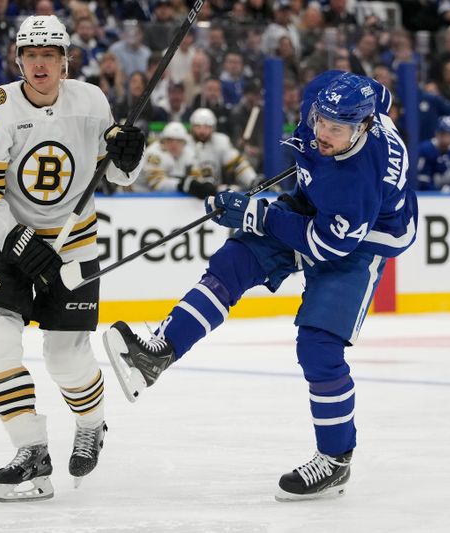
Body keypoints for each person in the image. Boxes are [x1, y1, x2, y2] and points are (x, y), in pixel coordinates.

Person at [102, 71, 418, 501]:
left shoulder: (358, 180)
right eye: (319, 120)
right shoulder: (329, 94)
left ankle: (335, 459)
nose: (322, 132)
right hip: (322, 208)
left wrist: (258, 214)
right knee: (236, 259)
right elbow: (380, 92)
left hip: (363, 238)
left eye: (336, 129)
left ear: (363, 126)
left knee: (318, 346)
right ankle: (158, 353)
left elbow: (325, 245)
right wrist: (277, 199)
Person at [0, 15, 146, 503]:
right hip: (2, 242)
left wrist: (128, 156)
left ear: (65, 61)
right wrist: (17, 240)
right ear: (18, 60)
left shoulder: (91, 101)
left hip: (74, 241)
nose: (39, 64)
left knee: (65, 357)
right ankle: (31, 454)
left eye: (49, 55)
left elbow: (119, 177)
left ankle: (91, 423)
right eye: (31, 55)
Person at [138, 121, 214, 198]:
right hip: (139, 197)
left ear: (184, 143)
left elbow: (197, 178)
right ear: (163, 141)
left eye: (178, 141)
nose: (174, 144)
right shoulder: (154, 153)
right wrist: (184, 184)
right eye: (170, 140)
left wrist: (204, 184)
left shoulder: (188, 153)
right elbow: (157, 184)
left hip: (169, 199)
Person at [189, 107, 258, 190]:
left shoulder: (220, 142)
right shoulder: (184, 143)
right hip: (186, 195)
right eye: (198, 127)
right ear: (192, 127)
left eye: (206, 127)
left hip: (214, 193)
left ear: (213, 128)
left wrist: (253, 180)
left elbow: (238, 165)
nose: (202, 131)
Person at [416, 115, 450, 191]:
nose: (447, 138)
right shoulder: (425, 150)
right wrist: (439, 192)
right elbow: (422, 181)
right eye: (444, 134)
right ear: (437, 133)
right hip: (427, 196)